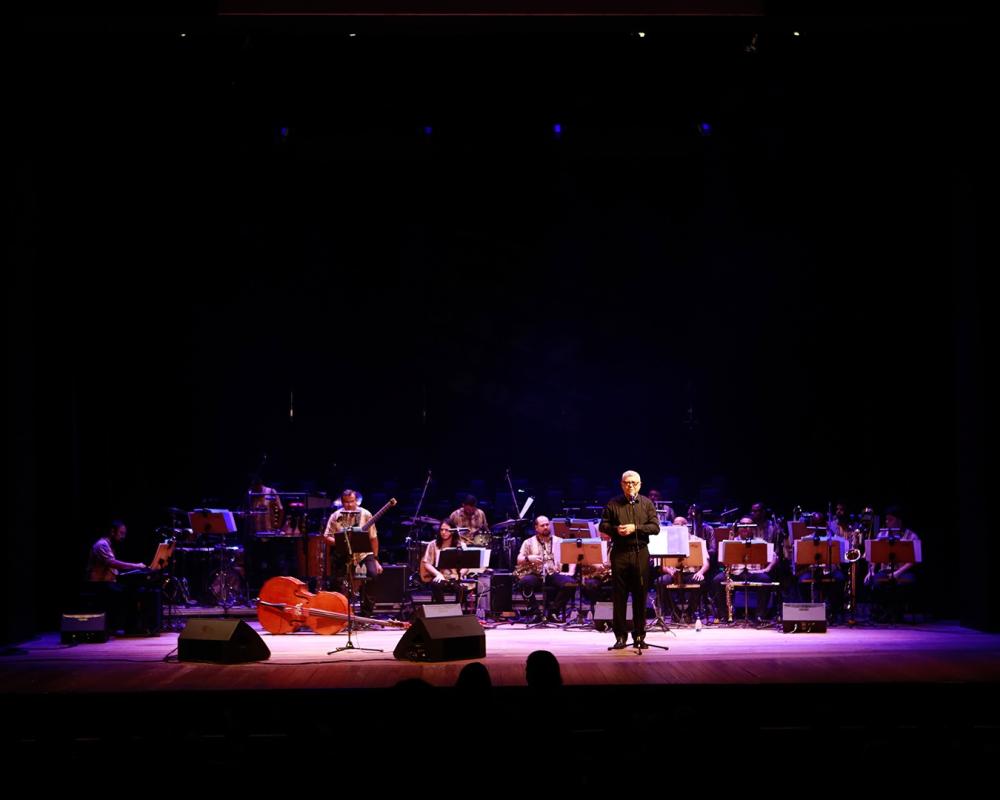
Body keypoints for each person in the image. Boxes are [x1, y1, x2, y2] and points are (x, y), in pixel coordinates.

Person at [599, 470, 660, 649]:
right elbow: (603, 524)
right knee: (619, 596)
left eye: (634, 482)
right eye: (627, 482)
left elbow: (655, 527)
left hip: (640, 552)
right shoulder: (613, 503)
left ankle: (639, 636)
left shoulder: (647, 503)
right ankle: (620, 637)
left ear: (640, 484)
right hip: (620, 553)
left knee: (640, 595)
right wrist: (616, 529)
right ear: (621, 484)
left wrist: (636, 528)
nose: (630, 486)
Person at [323, 489, 383, 615]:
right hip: (343, 554)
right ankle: (341, 612)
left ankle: (366, 613)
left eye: (351, 501)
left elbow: (373, 538)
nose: (349, 505)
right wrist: (341, 543)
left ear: (356, 501)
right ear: (342, 502)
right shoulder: (335, 516)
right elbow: (327, 536)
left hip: (363, 555)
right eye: (346, 502)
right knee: (336, 582)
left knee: (372, 575)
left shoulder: (366, 514)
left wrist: (376, 559)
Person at [85, 521, 147, 632]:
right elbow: (112, 563)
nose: (123, 536)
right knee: (131, 593)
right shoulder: (101, 545)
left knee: (134, 589)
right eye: (121, 533)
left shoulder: (108, 545)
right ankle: (130, 628)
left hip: (107, 583)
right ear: (112, 532)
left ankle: (131, 627)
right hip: (99, 585)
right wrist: (136, 566)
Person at [515, 515, 577, 622]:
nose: (545, 527)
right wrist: (530, 558)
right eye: (542, 525)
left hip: (553, 573)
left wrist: (571, 571)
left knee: (570, 583)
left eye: (547, 524)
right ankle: (535, 613)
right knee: (524, 583)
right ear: (536, 528)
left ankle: (554, 612)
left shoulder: (559, 541)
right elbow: (519, 559)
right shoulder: (528, 542)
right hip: (536, 574)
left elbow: (572, 556)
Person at [420, 521, 470, 606]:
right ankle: (442, 609)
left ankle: (457, 612)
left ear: (453, 531)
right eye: (441, 530)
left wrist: (460, 574)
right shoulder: (433, 544)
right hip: (441, 577)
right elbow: (426, 563)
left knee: (463, 589)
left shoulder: (461, 545)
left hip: (456, 578)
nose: (443, 532)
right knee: (436, 585)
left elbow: (467, 565)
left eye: (446, 530)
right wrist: (438, 574)